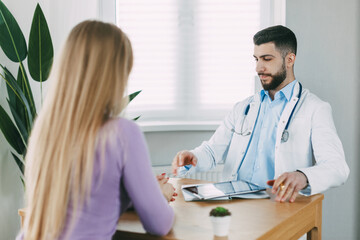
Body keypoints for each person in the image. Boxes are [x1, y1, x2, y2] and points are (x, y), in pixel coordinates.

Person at [17, 20, 176, 240]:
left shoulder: (46, 132)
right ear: (113, 77)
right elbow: (159, 223)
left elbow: (87, 202)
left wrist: (134, 194)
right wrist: (161, 195)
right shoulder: (121, 133)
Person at [172, 25, 349, 203]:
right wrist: (192, 157)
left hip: (276, 206)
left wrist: (303, 176)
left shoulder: (315, 109)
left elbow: (337, 167)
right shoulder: (243, 107)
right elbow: (211, 152)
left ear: (290, 59)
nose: (258, 68)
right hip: (234, 203)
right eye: (256, 59)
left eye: (267, 59)